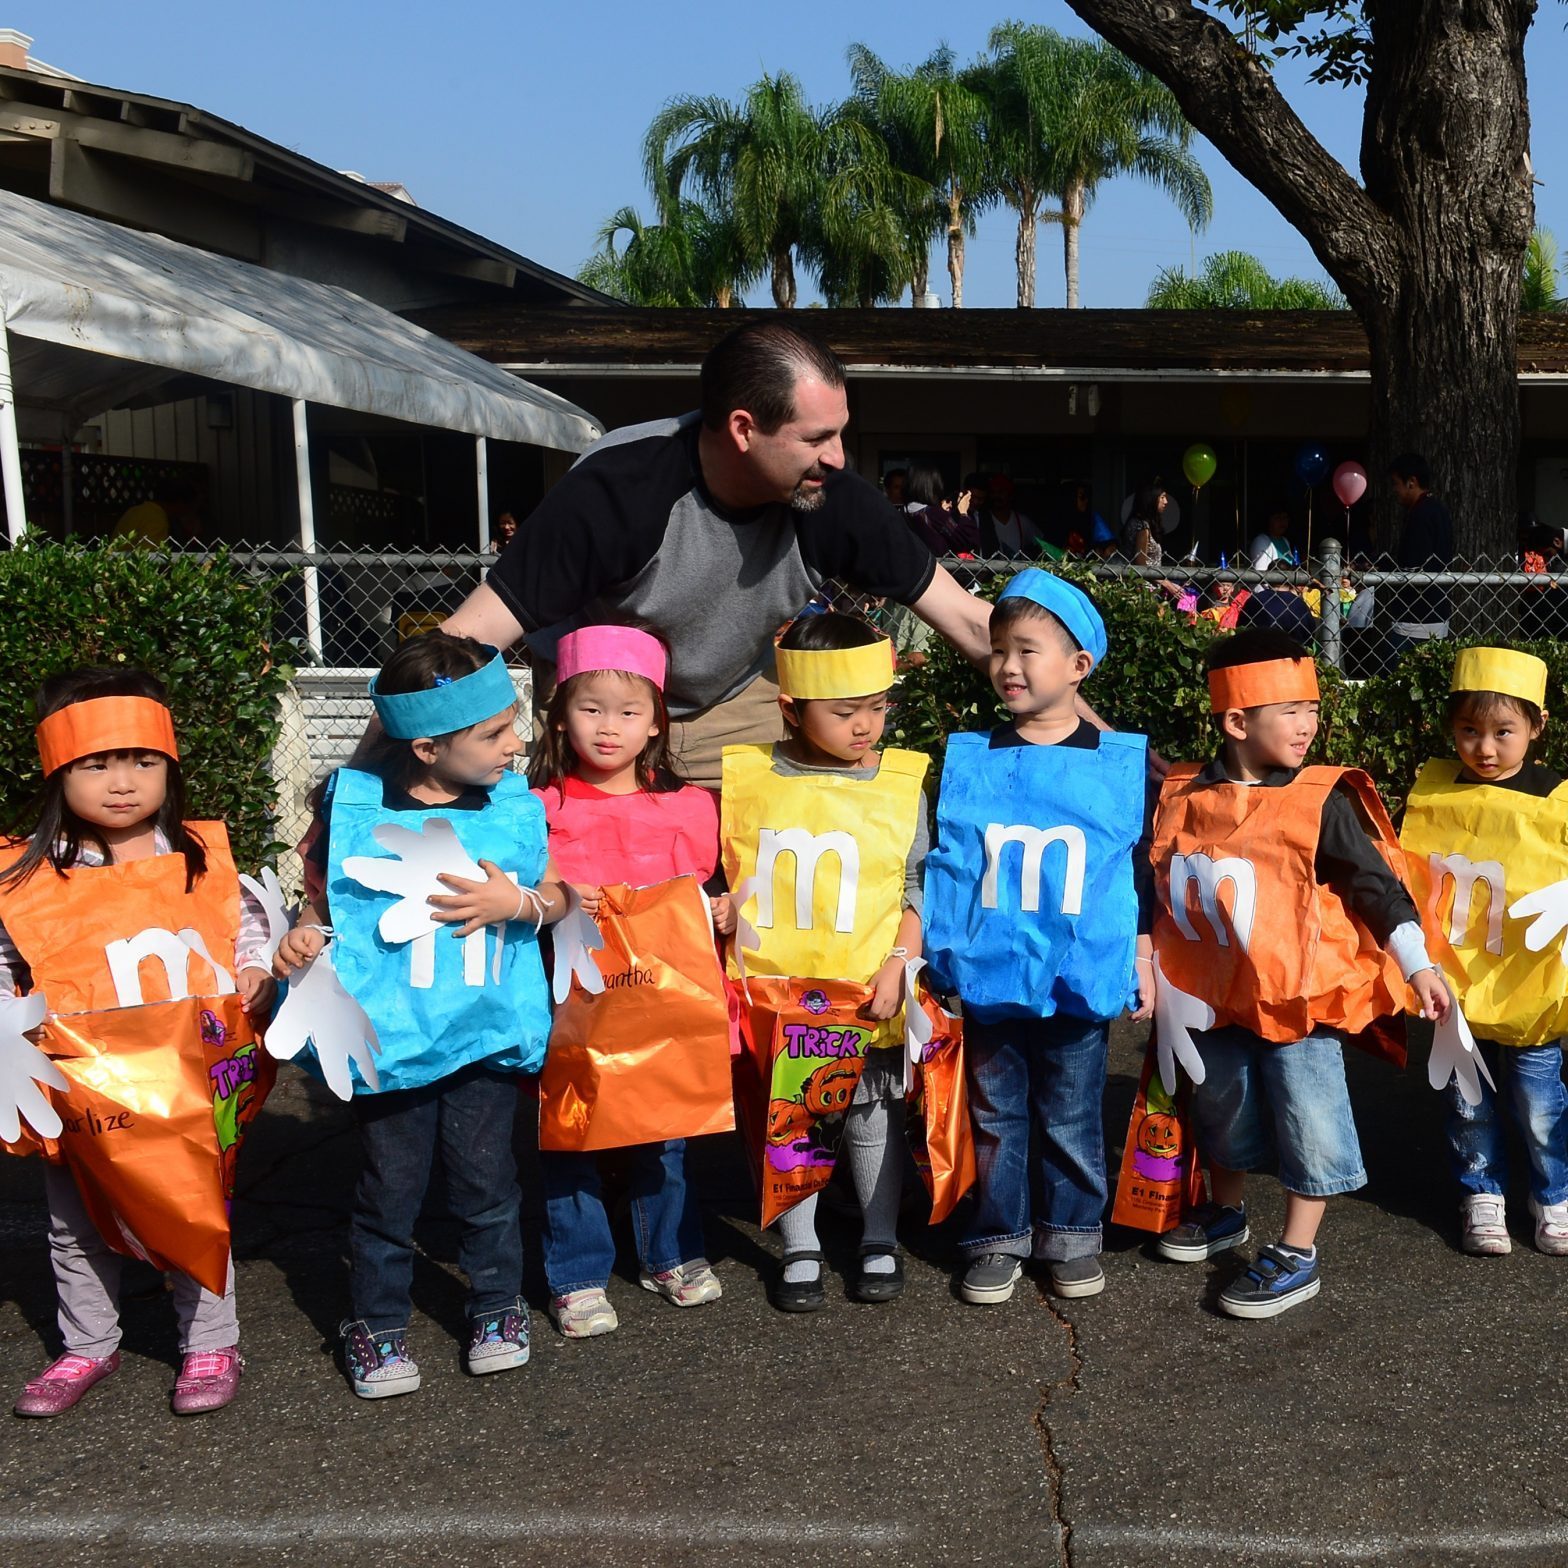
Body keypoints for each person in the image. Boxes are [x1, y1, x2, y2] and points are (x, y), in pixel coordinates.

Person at [436, 323, 995, 790]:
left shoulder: (833, 498)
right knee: (596, 888)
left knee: (752, 890)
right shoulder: (620, 490)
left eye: (841, 433)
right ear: (743, 429)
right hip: (602, 707)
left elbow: (971, 622)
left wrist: (1080, 741)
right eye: (816, 438)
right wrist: (365, 796)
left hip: (732, 698)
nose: (838, 457)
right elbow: (460, 640)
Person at [275, 632, 574, 1399]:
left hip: (481, 1036)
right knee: (388, 1190)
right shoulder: (357, 807)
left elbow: (563, 896)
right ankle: (375, 1324)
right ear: (429, 747)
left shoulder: (512, 808)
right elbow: (329, 905)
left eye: (513, 723)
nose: (517, 744)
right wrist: (305, 937)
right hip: (392, 1043)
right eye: (494, 733)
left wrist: (525, 905)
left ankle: (497, 1307)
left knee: (487, 1185)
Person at [1150, 628, 1450, 1318]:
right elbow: (1154, 881)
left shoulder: (1320, 800)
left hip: (1297, 1007)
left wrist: (1419, 965)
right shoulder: (1183, 792)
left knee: (1308, 1118)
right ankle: (1226, 1212)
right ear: (1235, 720)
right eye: (1289, 709)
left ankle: (1297, 1251)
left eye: (1313, 707)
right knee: (1218, 1106)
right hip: (1214, 997)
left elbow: (1378, 886)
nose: (1308, 724)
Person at [0, 668, 273, 1417]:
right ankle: (88, 1344)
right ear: (59, 769)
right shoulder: (29, 873)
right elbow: (6, 960)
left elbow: (243, 927)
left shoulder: (198, 856)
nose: (122, 782)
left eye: (142, 761)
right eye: (97, 763)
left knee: (191, 1208)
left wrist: (253, 970)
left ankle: (212, 1340)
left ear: (168, 767)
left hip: (185, 1084)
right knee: (74, 1221)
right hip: (79, 1090)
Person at [923, 571, 1154, 1305]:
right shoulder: (973, 759)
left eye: (1028, 650)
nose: (1009, 666)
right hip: (991, 975)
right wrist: (940, 954)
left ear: (1079, 666)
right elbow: (952, 866)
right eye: (998, 650)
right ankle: (998, 1236)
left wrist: (1143, 952)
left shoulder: (1113, 765)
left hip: (1077, 980)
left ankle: (1072, 1235)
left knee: (1073, 1113)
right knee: (995, 1115)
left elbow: (1133, 870)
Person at [720, 613, 928, 1312]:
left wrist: (901, 962)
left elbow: (915, 886)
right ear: (790, 708)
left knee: (873, 1113)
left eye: (877, 707)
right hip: (780, 994)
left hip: (868, 984)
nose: (865, 726)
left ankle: (878, 1236)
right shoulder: (750, 783)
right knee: (792, 1114)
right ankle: (800, 1243)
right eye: (844, 713)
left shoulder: (901, 783)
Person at [529, 624, 728, 1337]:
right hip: (572, 1002)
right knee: (573, 1133)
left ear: (656, 724)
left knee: (665, 1132)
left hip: (662, 1005)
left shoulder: (688, 807)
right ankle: (577, 1274)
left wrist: (722, 907)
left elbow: (708, 892)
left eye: (628, 711)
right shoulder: (536, 810)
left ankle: (669, 1252)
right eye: (590, 708)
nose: (608, 727)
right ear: (558, 712)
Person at [1399, 648, 1568, 1257]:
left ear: (1537, 726)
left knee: (1539, 1100)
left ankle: (1554, 1195)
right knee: (1466, 1098)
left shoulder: (1559, 798)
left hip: (1531, 988)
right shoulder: (1436, 790)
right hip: (1458, 985)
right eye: (1469, 731)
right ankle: (1482, 1193)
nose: (1485, 748)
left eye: (1503, 732)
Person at [1385, 452, 1455, 652]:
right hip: (1437, 614)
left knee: (1396, 677)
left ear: (1411, 482)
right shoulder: (1438, 510)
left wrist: (1382, 567)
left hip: (1414, 618)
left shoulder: (1420, 514)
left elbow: (1414, 566)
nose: (1394, 490)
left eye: (1395, 483)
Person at [904, 465, 979, 557]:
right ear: (933, 486)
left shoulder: (903, 512)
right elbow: (969, 542)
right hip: (939, 569)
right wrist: (963, 513)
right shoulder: (934, 514)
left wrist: (944, 513)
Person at [975, 474, 1039, 557]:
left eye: (1001, 492)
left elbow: (1041, 544)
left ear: (1010, 494)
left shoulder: (1022, 521)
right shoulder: (982, 519)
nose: (996, 496)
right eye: (993, 492)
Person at [1120, 483, 1169, 568]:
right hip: (1147, 580)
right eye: (1162, 497)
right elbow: (1142, 567)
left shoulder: (1139, 522)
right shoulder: (1142, 526)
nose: (1166, 502)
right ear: (1151, 499)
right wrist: (1166, 582)